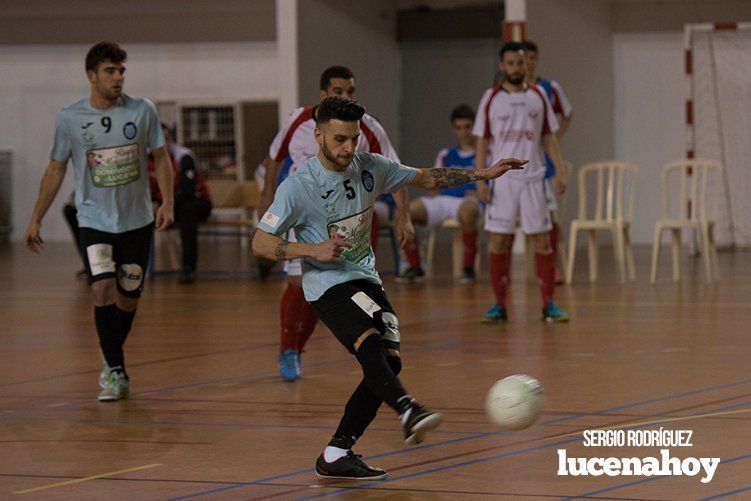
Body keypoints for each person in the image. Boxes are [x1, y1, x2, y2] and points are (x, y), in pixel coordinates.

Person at [252, 96, 525, 480]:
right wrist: (311, 249)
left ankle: (336, 452)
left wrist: (483, 173)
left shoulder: (371, 166)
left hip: (365, 277)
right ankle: (409, 408)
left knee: (389, 362)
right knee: (370, 342)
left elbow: (425, 177)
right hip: (326, 284)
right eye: (339, 139)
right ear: (318, 136)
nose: (348, 148)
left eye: (354, 139)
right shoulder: (298, 187)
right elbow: (260, 243)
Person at [23, 41, 174, 401]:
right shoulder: (69, 117)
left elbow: (161, 157)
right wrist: (35, 218)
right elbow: (57, 167)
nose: (118, 77)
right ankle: (117, 373)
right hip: (93, 219)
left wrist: (166, 201)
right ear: (91, 75)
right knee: (102, 288)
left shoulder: (142, 111)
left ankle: (110, 359)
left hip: (136, 220)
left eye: (121, 70)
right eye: (110, 71)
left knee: (128, 298)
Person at [257, 65, 412, 381]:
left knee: (323, 288)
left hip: (345, 220)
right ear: (324, 94)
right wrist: (265, 202)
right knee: (297, 283)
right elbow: (274, 160)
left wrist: (403, 217)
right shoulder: (299, 120)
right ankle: (289, 350)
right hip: (303, 215)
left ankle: (306, 347)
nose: (345, 97)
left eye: (350, 92)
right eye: (339, 92)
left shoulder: (367, 127)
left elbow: (397, 171)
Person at [473, 42, 569, 323]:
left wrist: (560, 170)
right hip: (502, 182)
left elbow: (550, 137)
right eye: (511, 63)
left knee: (542, 239)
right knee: (499, 241)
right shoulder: (490, 98)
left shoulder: (539, 95)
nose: (517, 67)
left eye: (521, 62)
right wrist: (481, 177)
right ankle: (499, 305)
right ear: (502, 66)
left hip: (533, 179)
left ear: (528, 64)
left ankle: (548, 303)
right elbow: (482, 140)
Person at [397, 104, 481, 284]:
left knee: (468, 211)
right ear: (454, 129)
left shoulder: (483, 154)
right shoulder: (445, 154)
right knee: (406, 211)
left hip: (468, 201)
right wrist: (432, 191)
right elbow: (434, 181)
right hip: (443, 199)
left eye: (467, 127)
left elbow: (489, 183)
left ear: (474, 126)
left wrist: (477, 193)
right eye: (459, 128)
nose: (464, 132)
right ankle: (415, 267)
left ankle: (468, 268)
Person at [523, 40, 573, 283]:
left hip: (543, 166)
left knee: (549, 215)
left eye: (532, 58)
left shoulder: (549, 88)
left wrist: (554, 139)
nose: (528, 63)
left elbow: (568, 114)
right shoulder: (506, 92)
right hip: (517, 166)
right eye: (523, 59)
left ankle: (552, 267)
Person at [148, 122, 212, 284]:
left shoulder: (184, 157)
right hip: (164, 205)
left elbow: (187, 191)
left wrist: (164, 205)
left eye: (167, 138)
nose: (163, 143)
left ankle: (188, 268)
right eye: (158, 139)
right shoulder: (146, 159)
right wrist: (154, 203)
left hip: (196, 202)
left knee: (187, 211)